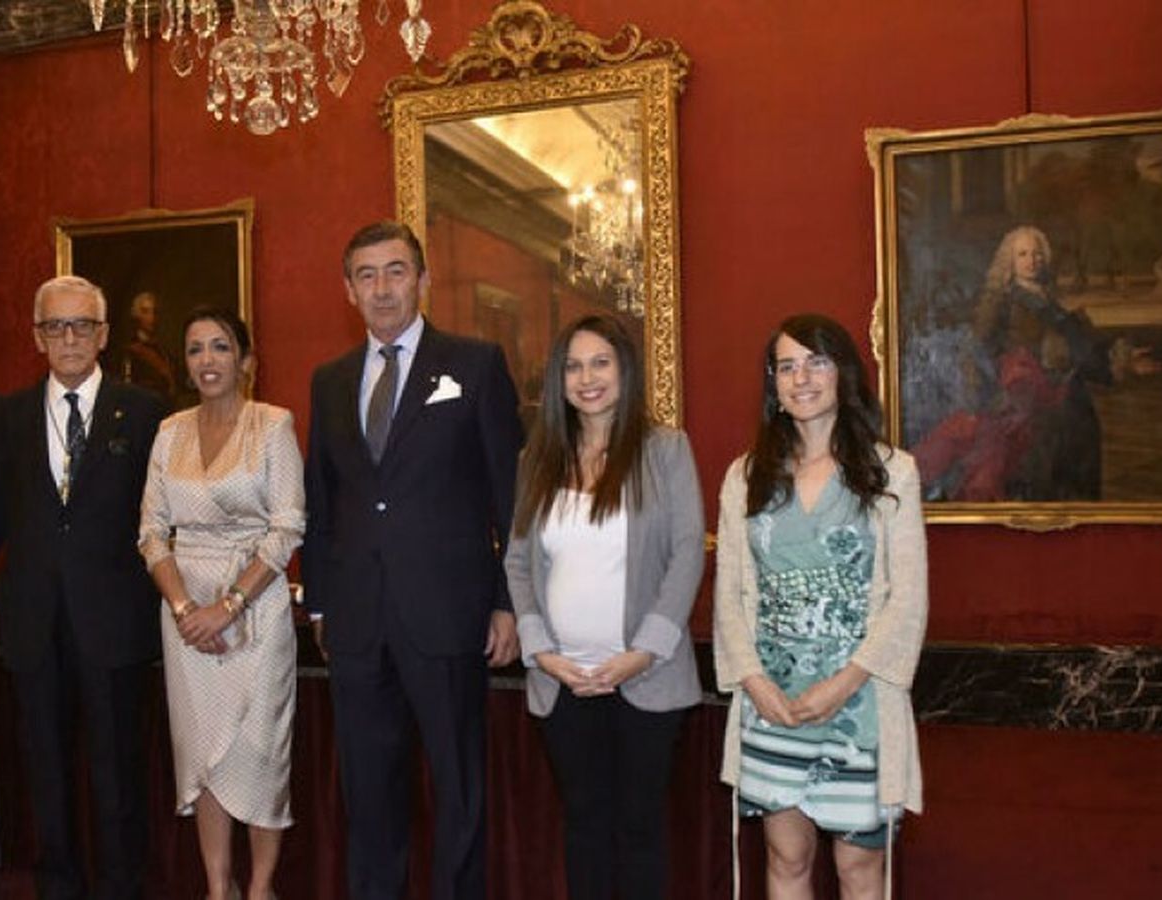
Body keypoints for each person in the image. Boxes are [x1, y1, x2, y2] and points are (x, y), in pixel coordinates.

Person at [303, 220, 523, 900]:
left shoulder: (475, 366)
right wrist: (317, 601)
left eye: (395, 271)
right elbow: (323, 497)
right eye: (366, 275)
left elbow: (508, 494)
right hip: (358, 620)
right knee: (368, 791)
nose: (382, 288)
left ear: (423, 281)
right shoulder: (330, 380)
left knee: (458, 788)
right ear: (348, 290)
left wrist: (508, 601)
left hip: (448, 615)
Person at [713, 314, 928, 900]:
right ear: (772, 384)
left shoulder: (893, 473)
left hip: (859, 705)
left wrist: (843, 684)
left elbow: (908, 597)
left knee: (859, 869)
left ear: (844, 374)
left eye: (816, 362)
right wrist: (754, 684)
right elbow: (729, 593)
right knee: (786, 859)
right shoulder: (745, 477)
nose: (801, 378)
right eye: (786, 366)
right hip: (772, 706)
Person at [504, 315, 704, 899]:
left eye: (600, 363)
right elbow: (518, 562)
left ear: (625, 371)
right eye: (572, 365)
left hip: (647, 679)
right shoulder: (535, 459)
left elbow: (687, 552)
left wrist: (642, 653)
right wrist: (542, 653)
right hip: (562, 682)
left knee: (639, 830)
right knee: (584, 826)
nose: (586, 378)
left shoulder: (665, 450)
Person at [0, 274, 167, 900]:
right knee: (46, 769)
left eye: (81, 325)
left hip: (114, 622)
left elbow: (164, 517)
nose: (68, 338)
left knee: (118, 773)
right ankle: (58, 884)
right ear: (36, 336)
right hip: (33, 622)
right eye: (54, 327)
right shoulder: (6, 416)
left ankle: (121, 886)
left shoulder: (146, 411)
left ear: (103, 334)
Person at [138, 308, 304, 900]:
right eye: (195, 349)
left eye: (220, 348)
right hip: (184, 621)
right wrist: (186, 610)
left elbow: (286, 530)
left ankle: (259, 888)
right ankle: (217, 887)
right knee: (203, 756)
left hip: (254, 613)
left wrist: (227, 605)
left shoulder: (274, 425)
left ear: (246, 361)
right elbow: (152, 533)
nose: (207, 360)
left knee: (259, 751)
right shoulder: (169, 431)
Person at [912, 225, 1157, 501]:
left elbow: (1078, 347)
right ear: (1010, 261)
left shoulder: (1049, 300)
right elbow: (976, 349)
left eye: (1037, 254)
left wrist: (1117, 360)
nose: (1031, 260)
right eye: (1023, 254)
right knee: (1035, 474)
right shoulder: (1000, 301)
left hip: (1064, 395)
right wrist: (999, 382)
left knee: (1075, 464)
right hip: (1024, 399)